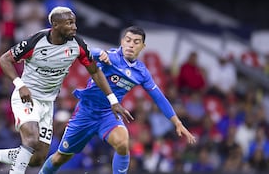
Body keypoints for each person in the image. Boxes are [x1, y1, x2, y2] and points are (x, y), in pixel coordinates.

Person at [0, 6, 131, 174]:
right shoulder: (35, 42)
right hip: (26, 97)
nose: (75, 27)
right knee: (31, 139)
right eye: (70, 23)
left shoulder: (77, 45)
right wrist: (20, 85)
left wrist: (113, 101)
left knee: (37, 159)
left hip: (48, 103)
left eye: (75, 23)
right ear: (55, 25)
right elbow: (4, 60)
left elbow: (95, 71)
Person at [39, 26, 197, 174]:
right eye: (128, 40)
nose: (131, 45)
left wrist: (177, 122)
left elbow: (158, 97)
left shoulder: (141, 72)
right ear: (122, 42)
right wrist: (98, 52)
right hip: (85, 113)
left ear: (142, 46)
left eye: (136, 42)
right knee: (61, 157)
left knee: (122, 144)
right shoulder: (110, 57)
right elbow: (83, 52)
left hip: (109, 115)